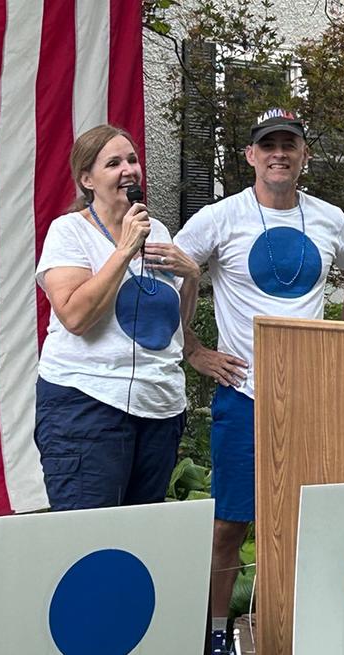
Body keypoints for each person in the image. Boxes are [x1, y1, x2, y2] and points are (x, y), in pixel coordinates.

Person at [173, 108, 344, 655]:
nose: (279, 155)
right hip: (244, 395)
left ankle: (295, 631)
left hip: (313, 397)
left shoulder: (330, 220)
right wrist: (192, 348)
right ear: (251, 156)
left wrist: (342, 345)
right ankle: (215, 640)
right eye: (269, 146)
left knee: (310, 521)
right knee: (229, 525)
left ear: (304, 155)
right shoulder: (222, 217)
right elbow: (174, 271)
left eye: (290, 145)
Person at [34, 124, 200, 512]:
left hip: (158, 407)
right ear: (87, 179)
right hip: (86, 405)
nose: (129, 169)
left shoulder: (156, 230)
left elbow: (174, 326)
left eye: (132, 159)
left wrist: (190, 276)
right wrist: (124, 249)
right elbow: (75, 316)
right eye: (113, 163)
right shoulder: (69, 231)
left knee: (138, 541)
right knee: (88, 539)